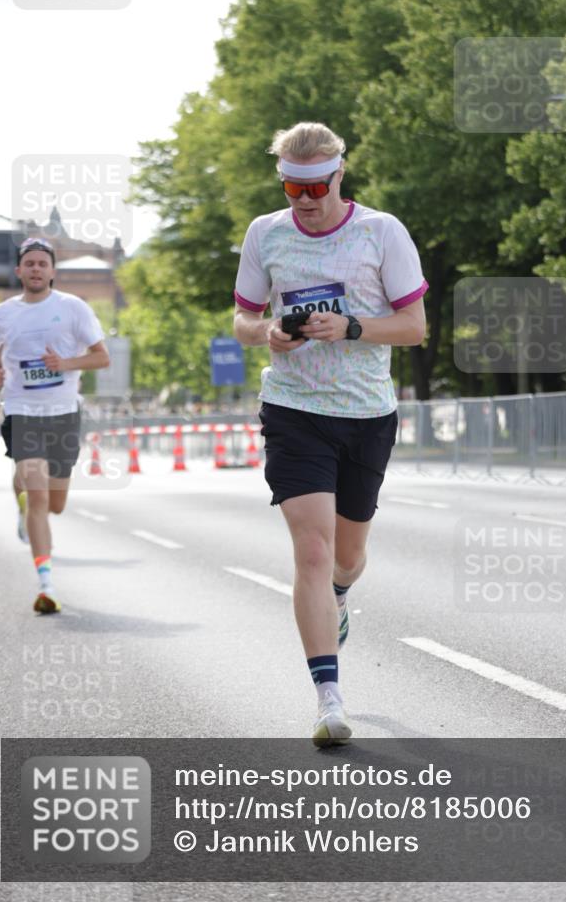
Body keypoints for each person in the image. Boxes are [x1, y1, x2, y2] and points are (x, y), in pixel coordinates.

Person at [233, 122, 427, 747]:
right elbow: (243, 317)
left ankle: (339, 597)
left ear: (340, 174)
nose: (305, 198)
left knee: (345, 557)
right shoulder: (266, 233)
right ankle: (328, 698)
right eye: (292, 186)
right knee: (311, 552)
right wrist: (268, 334)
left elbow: (414, 326)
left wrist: (349, 329)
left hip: (367, 412)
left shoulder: (381, 231)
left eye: (316, 185)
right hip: (293, 409)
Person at [0, 237, 110, 613]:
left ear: (53, 271)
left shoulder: (73, 308)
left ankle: (23, 499)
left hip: (64, 414)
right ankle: (46, 583)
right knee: (38, 495)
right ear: (19, 270)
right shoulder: (2, 313)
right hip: (22, 411)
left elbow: (101, 359)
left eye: (42, 263)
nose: (36, 269)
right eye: (29, 263)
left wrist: (65, 365)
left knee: (55, 504)